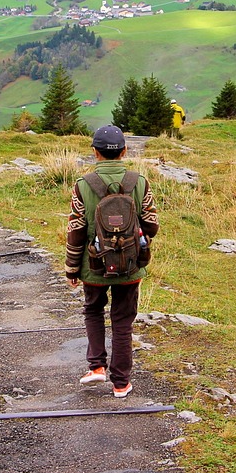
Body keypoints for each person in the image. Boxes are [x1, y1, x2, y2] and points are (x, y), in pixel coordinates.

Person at [65, 125, 159, 398]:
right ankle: (121, 383)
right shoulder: (139, 181)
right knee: (122, 320)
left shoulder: (84, 185)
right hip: (130, 264)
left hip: (93, 265)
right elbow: (152, 225)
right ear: (124, 151)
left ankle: (96, 367)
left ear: (95, 153)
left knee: (93, 310)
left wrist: (72, 267)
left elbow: (76, 230)